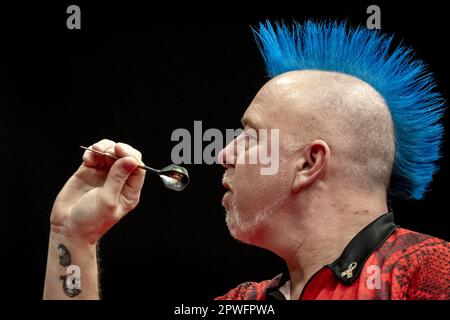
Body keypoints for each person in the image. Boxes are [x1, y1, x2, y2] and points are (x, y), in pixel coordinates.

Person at [43, 20, 449, 300]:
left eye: (250, 137)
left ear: (309, 164)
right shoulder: (244, 301)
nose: (223, 154)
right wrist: (73, 237)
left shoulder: (433, 271)